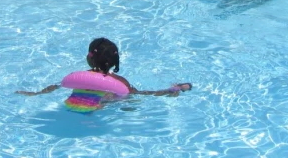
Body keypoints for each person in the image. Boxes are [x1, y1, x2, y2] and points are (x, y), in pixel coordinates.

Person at [16, 38, 192, 107]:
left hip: (76, 104)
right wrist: (170, 90)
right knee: (128, 103)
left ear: (90, 58)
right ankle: (174, 91)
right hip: (106, 103)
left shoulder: (79, 77)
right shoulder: (120, 81)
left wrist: (35, 93)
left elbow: (57, 86)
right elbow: (140, 94)